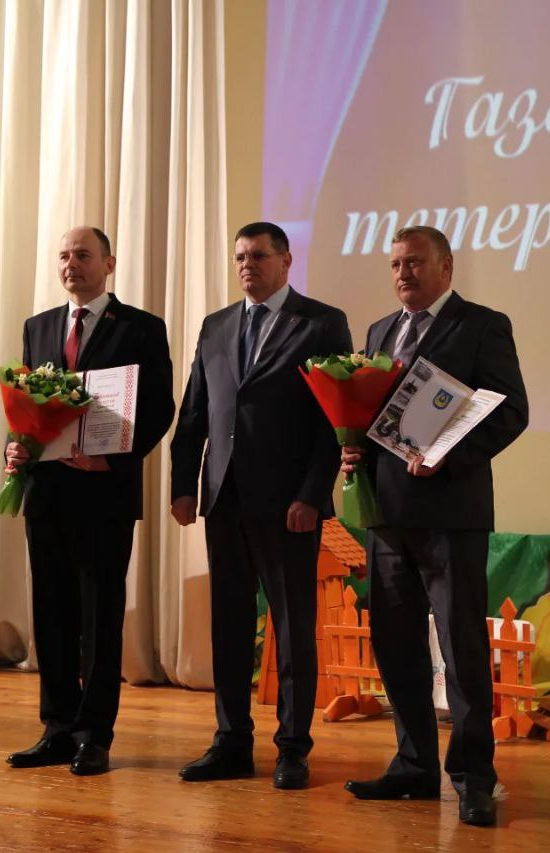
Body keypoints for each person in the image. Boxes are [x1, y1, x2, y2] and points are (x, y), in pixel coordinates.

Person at [341, 225, 528, 827]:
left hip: (451, 514)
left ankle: (474, 778)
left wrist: (450, 452)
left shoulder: (481, 325)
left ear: (446, 267)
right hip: (387, 515)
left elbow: (511, 412)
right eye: (396, 264)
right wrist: (352, 447)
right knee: (396, 646)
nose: (404, 274)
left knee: (461, 647)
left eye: (416, 263)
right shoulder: (379, 332)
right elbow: (370, 414)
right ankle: (414, 766)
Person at [169, 221, 352, 789]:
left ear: (286, 261)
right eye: (240, 257)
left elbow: (334, 420)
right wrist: (183, 484)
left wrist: (312, 494)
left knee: (293, 630)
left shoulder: (321, 323)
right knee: (228, 626)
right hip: (224, 499)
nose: (247, 265)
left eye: (258, 256)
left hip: (288, 505)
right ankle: (231, 741)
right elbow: (195, 410)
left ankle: (293, 747)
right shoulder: (217, 325)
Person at [4, 226, 175, 776]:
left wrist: (113, 461)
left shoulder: (142, 328)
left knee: (100, 617)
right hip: (47, 491)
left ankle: (93, 734)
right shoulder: (38, 326)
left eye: (82, 254)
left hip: (105, 492)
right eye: (63, 256)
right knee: (51, 612)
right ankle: (56, 728)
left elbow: (159, 408)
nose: (70, 264)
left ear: (109, 263)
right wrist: (16, 446)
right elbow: (27, 406)